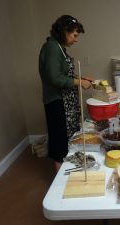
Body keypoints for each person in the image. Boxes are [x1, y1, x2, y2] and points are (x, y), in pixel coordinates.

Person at [39, 15, 92, 171]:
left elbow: (64, 76)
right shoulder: (51, 48)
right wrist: (79, 82)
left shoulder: (60, 48)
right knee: (59, 142)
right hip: (57, 103)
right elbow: (55, 78)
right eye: (74, 35)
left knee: (68, 138)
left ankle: (69, 171)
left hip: (67, 103)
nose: (76, 39)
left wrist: (81, 78)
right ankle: (59, 181)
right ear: (64, 31)